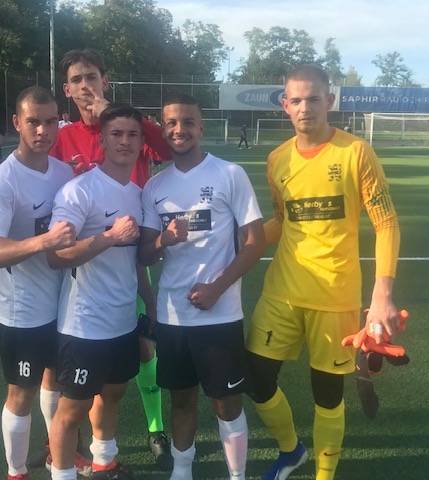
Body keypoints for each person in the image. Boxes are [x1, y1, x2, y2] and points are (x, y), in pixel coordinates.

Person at [245, 64, 400, 480]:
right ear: (284, 105)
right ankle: (291, 451)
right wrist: (241, 240)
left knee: (327, 395)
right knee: (256, 380)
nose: (305, 107)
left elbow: (386, 223)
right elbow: (283, 221)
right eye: (296, 100)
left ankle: (323, 475)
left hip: (335, 295)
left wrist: (382, 294)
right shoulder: (277, 159)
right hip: (281, 291)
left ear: (329, 100)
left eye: (313, 98)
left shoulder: (355, 152)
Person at [50, 48, 173, 469]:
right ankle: (61, 449)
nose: (86, 85)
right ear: (67, 90)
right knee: (63, 377)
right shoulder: (63, 138)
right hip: (79, 275)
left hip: (130, 264)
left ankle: (152, 430)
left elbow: (166, 148)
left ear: (104, 81)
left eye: (92, 77)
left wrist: (112, 111)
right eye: (77, 79)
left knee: (140, 354)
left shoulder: (128, 126)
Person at [138, 93, 265, 480]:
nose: (180, 130)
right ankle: (182, 472)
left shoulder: (229, 174)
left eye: (188, 122)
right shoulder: (154, 187)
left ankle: (237, 475)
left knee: (227, 403)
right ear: (163, 130)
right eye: (171, 123)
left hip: (220, 314)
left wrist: (217, 287)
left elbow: (255, 242)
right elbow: (144, 255)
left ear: (201, 127)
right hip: (174, 317)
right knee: (181, 400)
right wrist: (163, 240)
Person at [0, 86, 83, 480]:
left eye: (51, 121)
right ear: (17, 123)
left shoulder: (63, 173)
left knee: (54, 380)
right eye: (33, 122)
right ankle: (16, 470)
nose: (43, 130)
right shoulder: (2, 182)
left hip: (62, 303)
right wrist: (43, 241)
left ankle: (56, 452)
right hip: (20, 310)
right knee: (21, 392)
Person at [47, 103, 151, 480]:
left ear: (141, 142)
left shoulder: (140, 194)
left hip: (123, 321)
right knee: (72, 410)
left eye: (132, 134)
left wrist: (151, 308)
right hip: (84, 325)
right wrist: (109, 237)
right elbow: (56, 257)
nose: (125, 141)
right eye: (116, 134)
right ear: (102, 140)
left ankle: (104, 462)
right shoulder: (79, 191)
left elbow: (136, 261)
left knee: (113, 394)